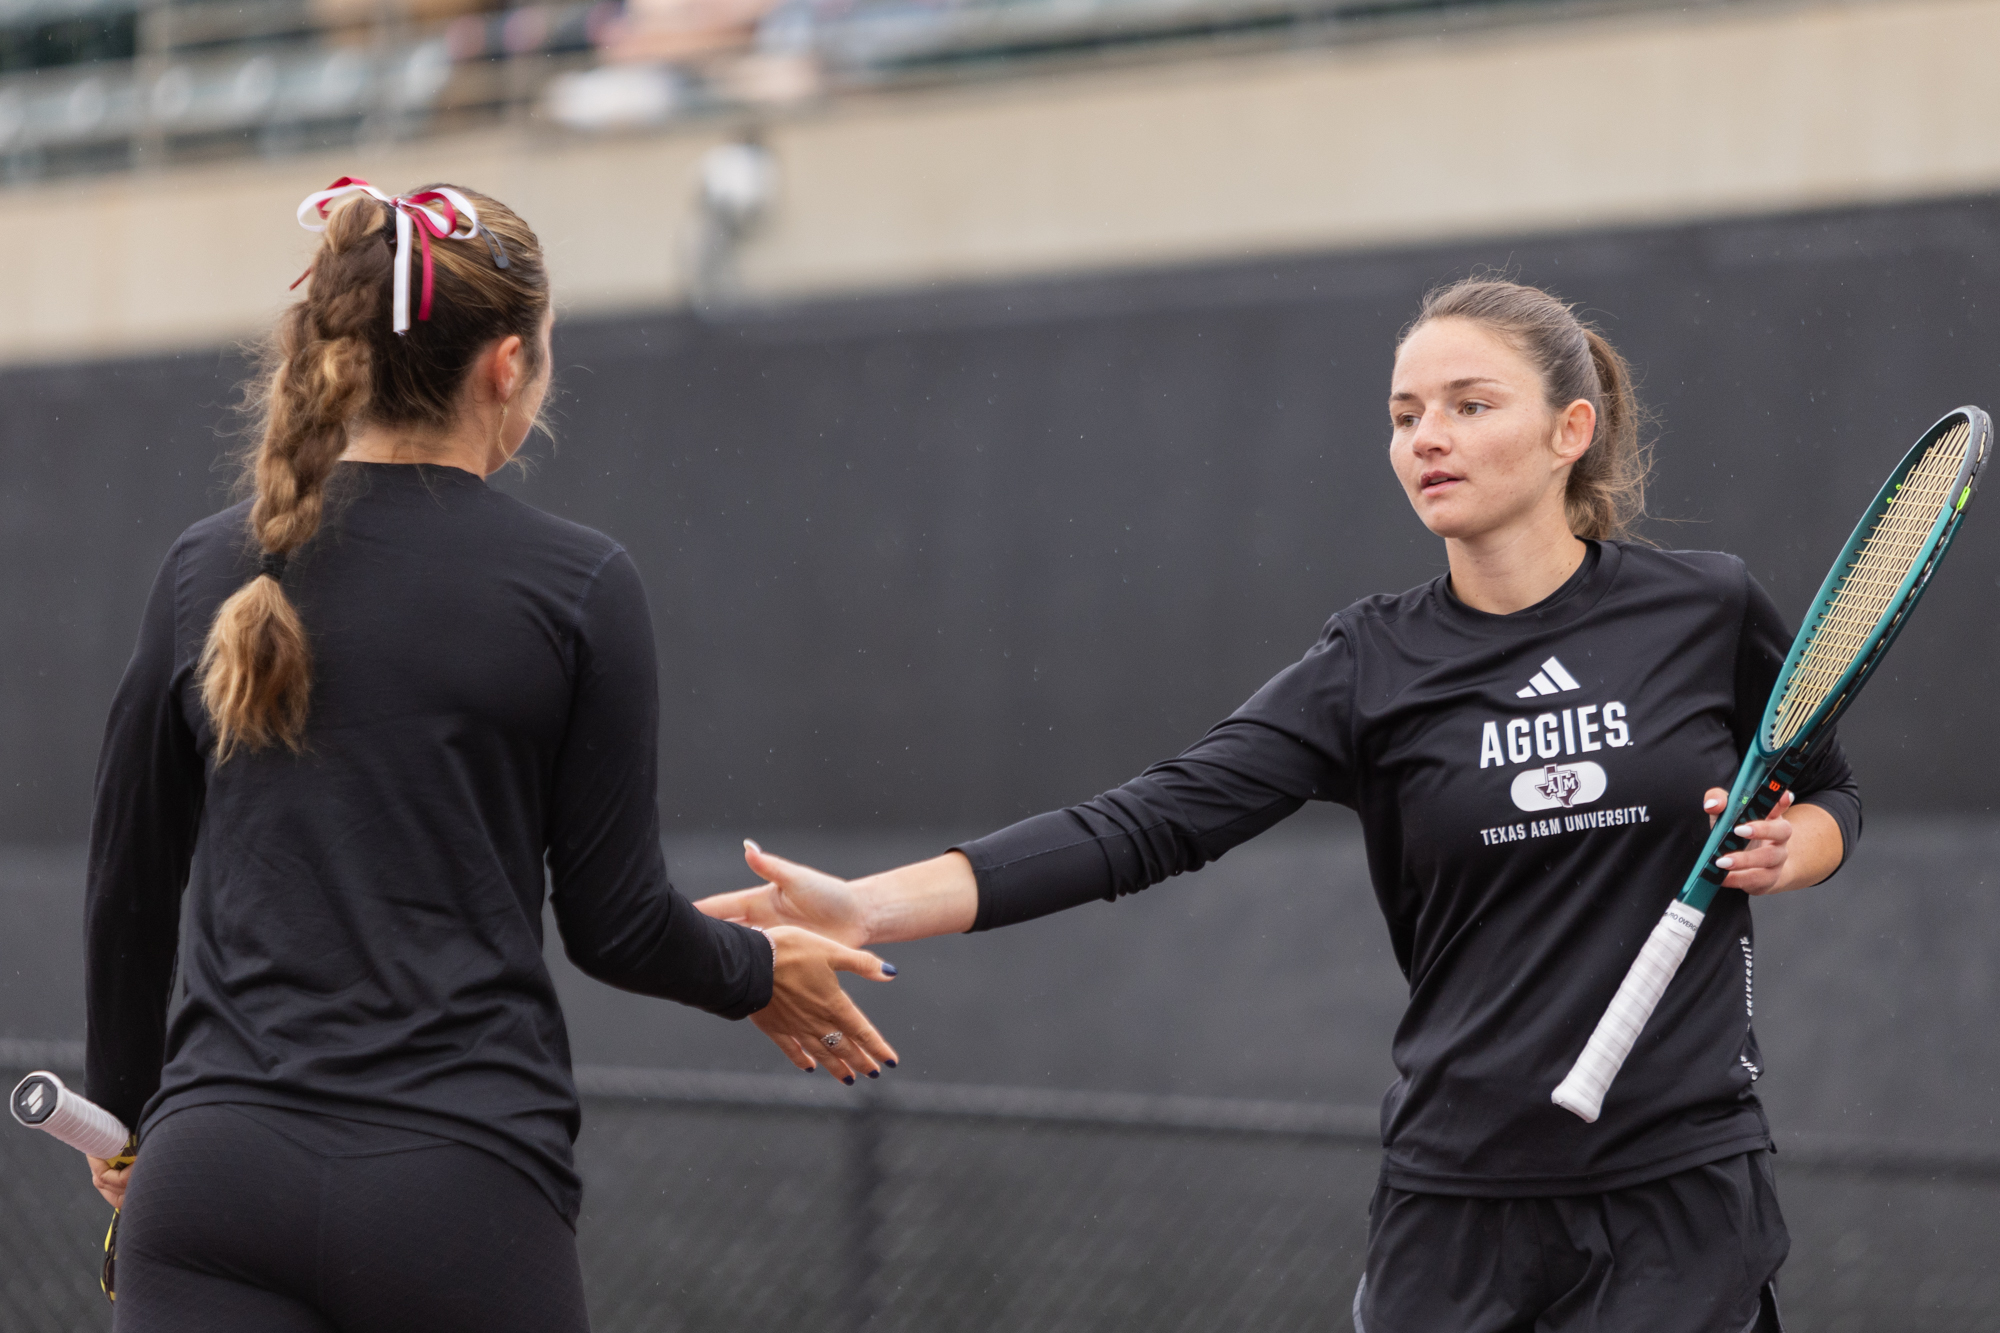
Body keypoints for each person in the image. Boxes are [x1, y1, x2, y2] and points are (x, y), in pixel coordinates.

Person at [695, 278, 1860, 1333]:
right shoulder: (1368, 661)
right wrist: (862, 906)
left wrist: (1792, 846)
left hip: (1679, 1189)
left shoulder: (1702, 610)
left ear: (1570, 431)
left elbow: (1829, 794)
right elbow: (1144, 822)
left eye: (1467, 404)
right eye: (1405, 415)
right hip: (1456, 1201)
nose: (1427, 439)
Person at [82, 178, 896, 1332]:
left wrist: (120, 1110)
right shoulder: (577, 586)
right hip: (455, 1189)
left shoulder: (205, 567)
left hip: (212, 1181)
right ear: (506, 365)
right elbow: (614, 924)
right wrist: (759, 972)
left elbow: (127, 882)